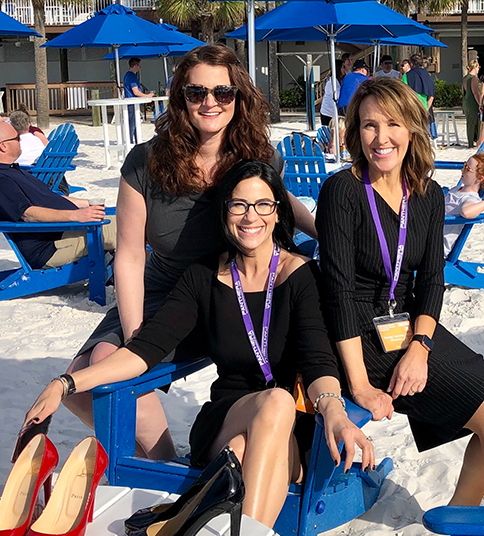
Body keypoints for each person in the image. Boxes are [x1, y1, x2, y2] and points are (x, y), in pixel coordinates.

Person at [23, 160, 374, 529]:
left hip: (288, 429)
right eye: (238, 205)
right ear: (224, 212)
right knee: (273, 402)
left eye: (262, 205)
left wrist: (334, 413)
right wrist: (66, 383)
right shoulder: (204, 276)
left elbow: (319, 361)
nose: (250, 216)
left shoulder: (300, 275)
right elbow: (145, 349)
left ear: (277, 213)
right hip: (226, 414)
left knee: (250, 439)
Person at [61, 44, 316, 462]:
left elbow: (282, 202)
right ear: (180, 96)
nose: (210, 102)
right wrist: (135, 333)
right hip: (162, 289)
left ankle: (158, 466)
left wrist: (326, 232)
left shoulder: (258, 155)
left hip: (227, 290)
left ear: (239, 97)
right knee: (85, 381)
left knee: (105, 372)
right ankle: (161, 457)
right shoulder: (147, 162)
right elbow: (128, 255)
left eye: (223, 92)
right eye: (196, 92)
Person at [316, 76, 484, 508]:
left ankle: (460, 515)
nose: (382, 138)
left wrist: (420, 346)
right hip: (357, 333)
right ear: (354, 133)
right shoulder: (342, 190)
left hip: (408, 327)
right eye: (369, 126)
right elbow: (337, 293)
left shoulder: (429, 195)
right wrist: (359, 387)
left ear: (413, 128)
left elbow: (432, 280)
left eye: (393, 124)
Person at [0, 121, 116, 270]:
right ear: (3, 146)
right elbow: (28, 214)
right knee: (131, 229)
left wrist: (86, 203)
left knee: (129, 218)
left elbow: (50, 198)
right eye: (17, 138)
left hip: (69, 231)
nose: (21, 140)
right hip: (53, 246)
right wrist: (76, 216)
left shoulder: (13, 170)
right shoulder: (3, 180)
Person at [443, 153, 484, 256]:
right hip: (426, 236)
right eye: (464, 165)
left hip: (436, 248)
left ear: (479, 179)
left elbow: (466, 212)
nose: (462, 170)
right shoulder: (457, 189)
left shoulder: (470, 198)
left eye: (467, 168)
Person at [123, 58, 155, 144]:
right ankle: (131, 141)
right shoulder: (132, 76)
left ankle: (135, 140)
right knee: (133, 123)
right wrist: (147, 96)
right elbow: (136, 92)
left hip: (131, 102)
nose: (139, 67)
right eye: (138, 65)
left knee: (134, 123)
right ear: (135, 65)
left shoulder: (127, 75)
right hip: (132, 103)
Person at [320, 59, 346, 126]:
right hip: (328, 113)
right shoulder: (332, 81)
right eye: (343, 67)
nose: (345, 69)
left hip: (334, 112)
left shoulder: (341, 80)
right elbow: (337, 95)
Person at [462, 60, 481, 148]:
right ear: (474, 67)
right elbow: (475, 92)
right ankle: (474, 141)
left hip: (466, 102)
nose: (478, 69)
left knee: (470, 122)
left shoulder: (465, 77)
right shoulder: (473, 78)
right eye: (478, 67)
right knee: (474, 123)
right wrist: (480, 103)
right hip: (472, 102)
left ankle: (471, 141)